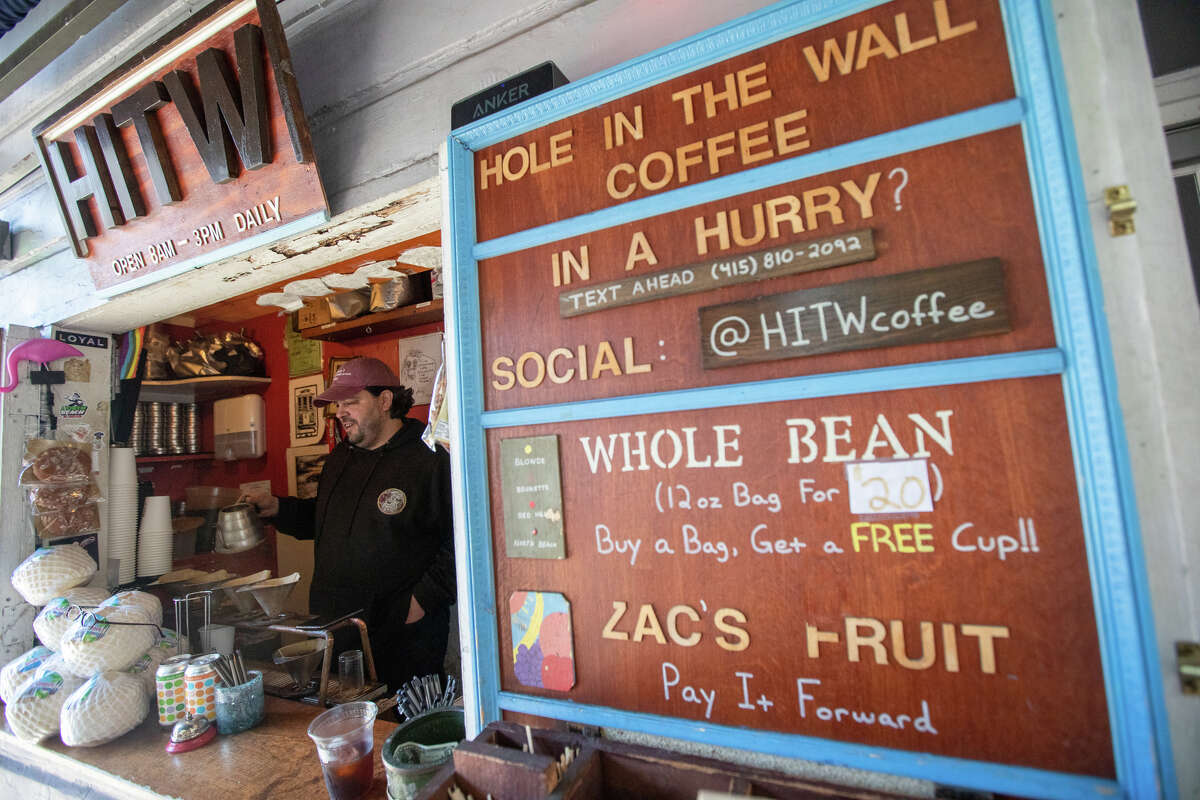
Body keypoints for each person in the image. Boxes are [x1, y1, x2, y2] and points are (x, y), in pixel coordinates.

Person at [245, 357, 455, 693]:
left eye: (351, 402)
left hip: (404, 633)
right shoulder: (341, 457)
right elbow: (328, 520)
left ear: (385, 401)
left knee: (404, 729)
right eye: (337, 404)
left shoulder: (429, 456)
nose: (340, 412)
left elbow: (463, 538)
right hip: (336, 627)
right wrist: (278, 509)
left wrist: (420, 601)